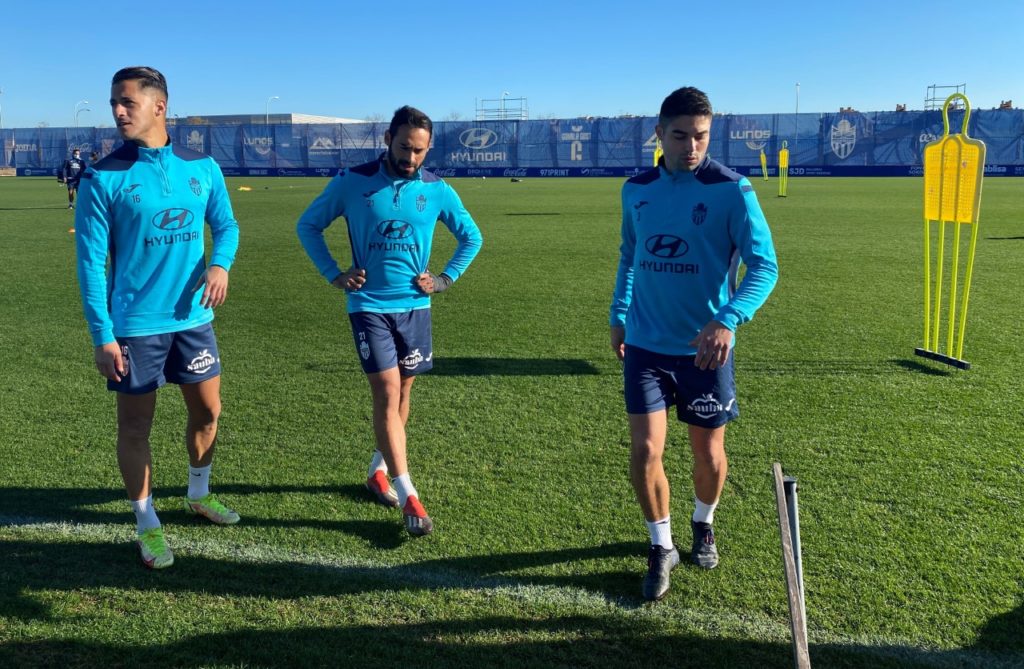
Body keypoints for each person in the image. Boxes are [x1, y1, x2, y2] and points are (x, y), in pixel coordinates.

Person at [609, 86, 778, 601]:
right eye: (680, 135)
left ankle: (703, 522)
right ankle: (661, 545)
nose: (691, 146)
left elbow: (765, 267)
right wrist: (619, 314)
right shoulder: (636, 190)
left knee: (708, 453)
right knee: (645, 450)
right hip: (645, 345)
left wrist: (728, 319)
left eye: (701, 136)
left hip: (705, 352)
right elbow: (630, 255)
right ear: (659, 134)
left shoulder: (733, 190)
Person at [74, 66, 241, 569]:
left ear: (159, 106)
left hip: (193, 319)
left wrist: (219, 264)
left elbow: (226, 225)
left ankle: (199, 493)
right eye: (114, 102)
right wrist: (103, 336)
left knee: (208, 412)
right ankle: (147, 524)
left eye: (127, 102)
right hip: (134, 326)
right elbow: (90, 264)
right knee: (135, 427)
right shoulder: (101, 177)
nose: (118, 111)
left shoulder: (202, 167)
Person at [297, 105, 483, 537]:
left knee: (404, 392)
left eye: (419, 150)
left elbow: (471, 237)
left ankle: (377, 471)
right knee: (386, 390)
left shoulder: (436, 189)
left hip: (415, 307)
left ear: (429, 148)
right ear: (387, 139)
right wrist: (334, 273)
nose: (410, 157)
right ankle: (408, 493)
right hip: (368, 304)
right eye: (404, 147)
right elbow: (308, 225)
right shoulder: (352, 181)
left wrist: (443, 279)